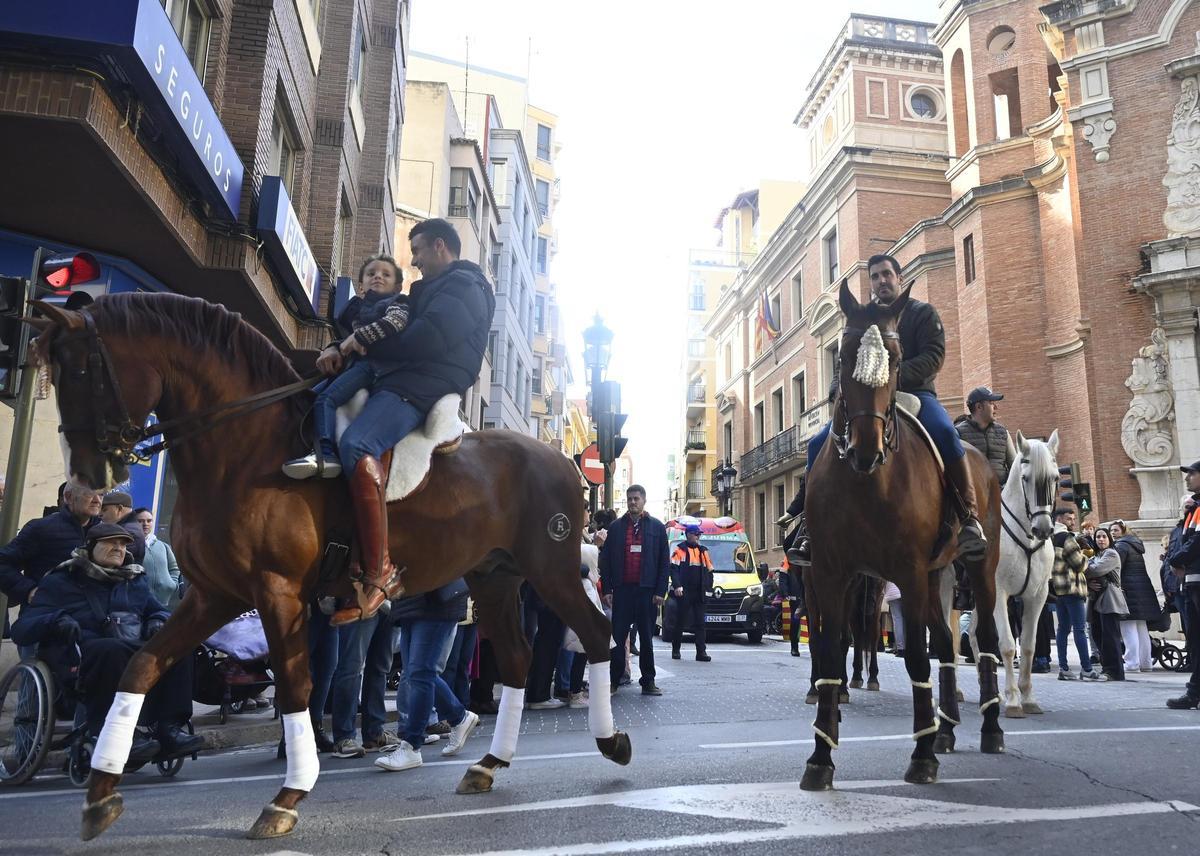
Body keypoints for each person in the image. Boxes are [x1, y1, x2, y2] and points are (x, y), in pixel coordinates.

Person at [316, 221, 495, 626]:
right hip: (394, 378)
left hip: (419, 387)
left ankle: (379, 569)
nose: (412, 261)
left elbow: (427, 338)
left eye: (416, 251)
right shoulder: (426, 289)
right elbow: (379, 328)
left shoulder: (465, 287)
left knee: (357, 446)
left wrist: (360, 342)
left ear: (438, 247)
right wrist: (339, 344)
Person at [791, 255, 987, 564]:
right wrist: (838, 391)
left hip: (917, 395)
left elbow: (934, 357)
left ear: (899, 276)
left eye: (886, 274)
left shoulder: (923, 313)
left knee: (946, 433)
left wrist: (891, 378)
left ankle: (970, 516)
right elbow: (845, 361)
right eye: (875, 276)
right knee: (818, 444)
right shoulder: (860, 317)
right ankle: (807, 526)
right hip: (868, 402)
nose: (882, 280)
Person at [11, 523, 204, 761]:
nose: (118, 548)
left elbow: (160, 610)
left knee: (179, 647)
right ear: (90, 547)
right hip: (81, 653)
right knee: (111, 650)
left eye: (123, 544)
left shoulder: (133, 580)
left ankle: (170, 729)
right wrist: (56, 620)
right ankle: (118, 733)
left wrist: (156, 619)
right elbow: (22, 628)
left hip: (129, 647)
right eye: (111, 542)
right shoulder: (61, 580)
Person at [284, 254, 410, 479]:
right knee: (304, 398)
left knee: (326, 399)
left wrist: (359, 337)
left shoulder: (398, 303)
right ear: (361, 284)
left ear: (398, 286)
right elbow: (343, 341)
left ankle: (325, 455)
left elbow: (395, 323)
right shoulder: (355, 310)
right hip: (352, 366)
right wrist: (335, 347)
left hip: (374, 368)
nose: (378, 277)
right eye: (371, 274)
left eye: (386, 274)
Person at [375, 579, 481, 772]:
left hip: (434, 599)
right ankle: (459, 716)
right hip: (414, 600)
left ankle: (412, 745)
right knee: (418, 673)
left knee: (420, 673)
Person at [599, 486, 670, 696]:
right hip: (622, 591)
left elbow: (664, 562)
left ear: (644, 500)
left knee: (647, 638)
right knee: (618, 638)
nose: (632, 502)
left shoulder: (657, 528)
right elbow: (607, 561)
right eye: (629, 499)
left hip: (647, 592)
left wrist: (660, 591)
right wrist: (608, 588)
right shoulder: (616, 527)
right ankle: (613, 681)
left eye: (636, 499)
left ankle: (648, 681)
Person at [0, 484, 102, 625]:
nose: (97, 500)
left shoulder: (105, 532)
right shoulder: (41, 528)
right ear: (68, 497)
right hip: (42, 623)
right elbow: (3, 563)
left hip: (87, 627)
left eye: (101, 494)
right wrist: (29, 590)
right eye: (89, 493)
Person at [1167, 460, 1200, 708]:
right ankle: (1194, 692)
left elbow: (1196, 542)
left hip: (1196, 579)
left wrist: (1176, 560)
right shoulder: (1194, 508)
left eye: (1192, 473)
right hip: (1191, 581)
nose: (1187, 478)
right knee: (1195, 640)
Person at [1050, 508, 1097, 680]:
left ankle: (1064, 668)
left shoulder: (1050, 537)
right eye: (1069, 519)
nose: (1073, 521)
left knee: (1062, 629)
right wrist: (1085, 556)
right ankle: (1086, 668)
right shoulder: (1067, 538)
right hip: (1073, 587)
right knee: (1079, 629)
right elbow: (1079, 565)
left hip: (1058, 589)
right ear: (1060, 519)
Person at [1109, 519, 1157, 673]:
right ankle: (1146, 663)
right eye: (1111, 531)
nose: (1112, 533)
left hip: (1128, 590)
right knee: (1141, 629)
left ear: (1123, 531)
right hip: (1142, 591)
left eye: (1115, 530)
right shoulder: (1135, 545)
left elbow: (1116, 567)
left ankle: (1132, 663)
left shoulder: (1121, 546)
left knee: (1128, 627)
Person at [1085, 526, 1126, 681]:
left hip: (1110, 599)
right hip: (1096, 600)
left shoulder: (1111, 554)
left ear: (1109, 539)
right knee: (1098, 634)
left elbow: (1095, 570)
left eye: (1103, 536)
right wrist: (1088, 583)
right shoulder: (1096, 555)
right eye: (1098, 537)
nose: (1100, 539)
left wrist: (1084, 569)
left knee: (1110, 636)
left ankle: (1115, 671)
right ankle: (1106, 668)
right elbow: (1088, 572)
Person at [668, 523, 714, 662]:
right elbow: (673, 569)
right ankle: (676, 650)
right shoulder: (679, 550)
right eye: (696, 534)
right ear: (688, 534)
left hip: (699, 592)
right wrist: (677, 586)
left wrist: (709, 589)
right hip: (685, 592)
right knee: (680, 622)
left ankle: (701, 652)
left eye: (699, 534)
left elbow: (710, 571)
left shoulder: (703, 551)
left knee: (700, 623)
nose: (698, 536)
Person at [954, 387, 1014, 483]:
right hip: (975, 496)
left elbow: (1015, 468)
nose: (996, 407)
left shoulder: (1003, 432)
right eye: (991, 403)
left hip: (1003, 494)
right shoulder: (958, 433)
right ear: (979, 407)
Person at [131, 508, 180, 610]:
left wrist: (171, 585)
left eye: (149, 520)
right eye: (140, 521)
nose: (145, 524)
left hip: (165, 602)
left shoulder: (163, 546)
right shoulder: (129, 545)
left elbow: (174, 568)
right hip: (139, 603)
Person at [100, 491, 146, 564]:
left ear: (119, 509)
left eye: (104, 510)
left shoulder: (128, 532)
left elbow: (111, 561)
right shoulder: (130, 528)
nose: (100, 514)